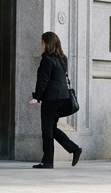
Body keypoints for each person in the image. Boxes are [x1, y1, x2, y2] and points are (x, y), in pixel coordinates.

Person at [28, 31, 82, 169]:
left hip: (51, 99)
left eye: (42, 43)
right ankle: (74, 149)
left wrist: (37, 98)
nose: (41, 45)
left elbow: (43, 80)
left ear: (47, 44)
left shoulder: (47, 60)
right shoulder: (62, 58)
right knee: (51, 128)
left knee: (47, 130)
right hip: (62, 98)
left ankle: (47, 162)